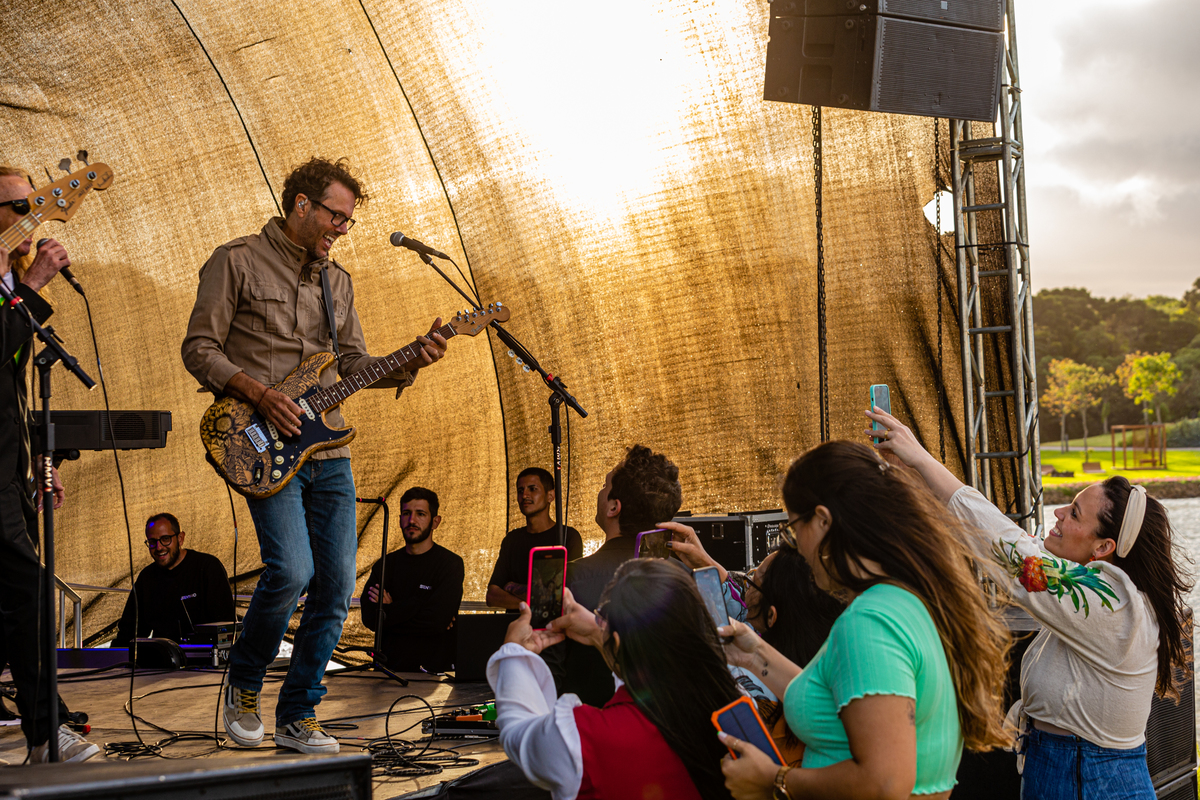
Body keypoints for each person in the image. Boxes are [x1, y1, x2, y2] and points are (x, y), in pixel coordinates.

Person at [181, 157, 449, 755]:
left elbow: (351, 365)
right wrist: (260, 394)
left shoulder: (338, 281)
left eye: (349, 220)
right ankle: (244, 684)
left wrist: (410, 360)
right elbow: (199, 348)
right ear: (301, 204)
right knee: (292, 571)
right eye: (336, 215)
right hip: (260, 442)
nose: (342, 228)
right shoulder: (237, 260)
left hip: (327, 449)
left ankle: (298, 713)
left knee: (336, 586)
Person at [870, 406, 1193, 800]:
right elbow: (1009, 544)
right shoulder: (1107, 597)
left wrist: (921, 458)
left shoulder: (1109, 602)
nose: (1058, 513)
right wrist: (916, 475)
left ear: (1103, 547)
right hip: (1074, 772)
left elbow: (1011, 550)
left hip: (1087, 780)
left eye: (1074, 513)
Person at [719, 440, 1011, 800]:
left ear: (823, 521)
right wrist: (754, 655)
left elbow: (884, 783)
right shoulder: (902, 597)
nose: (798, 549)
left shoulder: (869, 624)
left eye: (794, 531)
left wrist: (774, 781)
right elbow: (840, 698)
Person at [489, 558, 742, 800]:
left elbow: (517, 734)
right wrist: (601, 633)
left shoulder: (587, 737)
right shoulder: (735, 703)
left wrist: (514, 652)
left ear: (619, 642)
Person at [0, 166, 99, 762]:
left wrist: (39, 461)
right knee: (29, 595)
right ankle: (44, 733)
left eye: (35, 202)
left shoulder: (9, 287)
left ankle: (45, 729)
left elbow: (10, 394)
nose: (31, 214)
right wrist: (34, 282)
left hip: (8, 474)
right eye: (19, 206)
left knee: (22, 599)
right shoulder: (15, 288)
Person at [559, 444, 682, 706]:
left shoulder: (570, 578)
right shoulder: (686, 576)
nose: (600, 492)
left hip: (586, 724)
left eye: (605, 486)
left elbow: (548, 668)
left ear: (614, 507)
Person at [360, 487, 464, 673]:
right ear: (399, 519)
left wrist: (390, 609)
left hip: (433, 673)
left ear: (435, 522)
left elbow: (437, 621)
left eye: (421, 514)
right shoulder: (385, 564)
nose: (412, 521)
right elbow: (369, 618)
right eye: (406, 513)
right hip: (388, 671)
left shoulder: (450, 564)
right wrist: (419, 605)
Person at [113, 513, 236, 647]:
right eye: (152, 542)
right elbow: (128, 633)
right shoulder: (146, 578)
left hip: (205, 656)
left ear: (180, 538)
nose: (159, 547)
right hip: (162, 658)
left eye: (165, 539)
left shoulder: (207, 567)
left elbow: (225, 625)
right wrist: (110, 656)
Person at [486, 467, 582, 609]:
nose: (524, 495)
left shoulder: (569, 536)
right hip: (517, 623)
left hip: (554, 623)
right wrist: (535, 603)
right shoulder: (512, 540)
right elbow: (492, 596)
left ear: (550, 496)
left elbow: (565, 595)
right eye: (520, 491)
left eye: (532, 489)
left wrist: (511, 587)